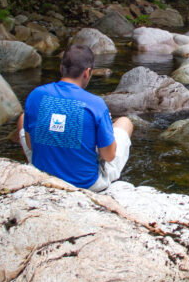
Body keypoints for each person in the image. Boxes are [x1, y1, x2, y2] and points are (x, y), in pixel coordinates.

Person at [17, 44, 133, 192]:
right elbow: (109, 156)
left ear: (61, 68)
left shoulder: (35, 95)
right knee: (125, 122)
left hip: (41, 175)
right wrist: (106, 127)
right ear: (87, 72)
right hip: (85, 184)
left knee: (23, 118)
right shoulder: (95, 104)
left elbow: (30, 145)